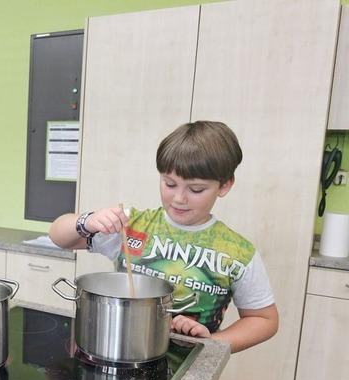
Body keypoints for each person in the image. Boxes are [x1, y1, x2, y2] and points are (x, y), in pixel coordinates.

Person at [49, 121, 279, 353]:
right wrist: (86, 221)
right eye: (169, 184)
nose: (179, 198)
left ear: (224, 185)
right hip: (119, 354)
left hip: (189, 373)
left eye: (196, 189)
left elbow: (264, 320)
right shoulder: (134, 225)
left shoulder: (237, 252)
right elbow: (59, 236)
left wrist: (212, 342)